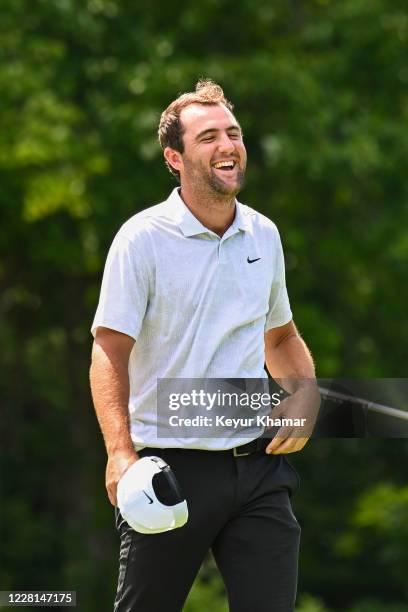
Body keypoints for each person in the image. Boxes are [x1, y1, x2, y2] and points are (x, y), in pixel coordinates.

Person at [90, 79, 320, 612]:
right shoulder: (141, 239)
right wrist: (120, 453)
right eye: (209, 136)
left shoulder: (264, 235)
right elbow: (109, 350)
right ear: (175, 157)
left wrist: (305, 396)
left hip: (258, 464)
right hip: (168, 469)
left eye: (233, 133)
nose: (228, 145)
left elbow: (281, 335)